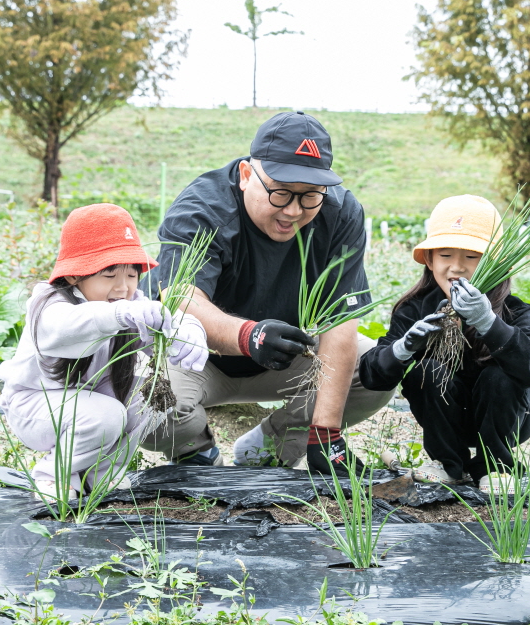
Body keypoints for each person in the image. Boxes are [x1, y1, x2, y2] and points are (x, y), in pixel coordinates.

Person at [142, 111, 392, 472]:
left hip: (285, 360)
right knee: (144, 401)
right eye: (281, 192)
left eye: (310, 196)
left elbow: (340, 322)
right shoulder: (203, 208)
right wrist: (249, 335)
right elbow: (182, 298)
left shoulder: (340, 213)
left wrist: (325, 433)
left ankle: (269, 447)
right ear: (247, 175)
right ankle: (195, 449)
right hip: (196, 358)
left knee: (373, 373)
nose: (293, 210)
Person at [0, 204, 209, 498]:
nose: (123, 288)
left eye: (132, 275)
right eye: (109, 276)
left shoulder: (130, 305)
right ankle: (54, 475)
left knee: (153, 398)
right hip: (35, 406)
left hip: (91, 402)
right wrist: (121, 314)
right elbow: (71, 325)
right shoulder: (50, 304)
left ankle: (101, 472)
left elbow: (164, 327)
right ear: (75, 275)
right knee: (105, 415)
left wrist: (187, 331)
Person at [357, 195, 530, 485]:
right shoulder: (415, 309)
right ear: (430, 260)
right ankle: (450, 464)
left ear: (496, 264)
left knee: (500, 375)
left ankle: (495, 467)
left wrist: (487, 322)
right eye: (446, 256)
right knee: (425, 371)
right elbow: (373, 376)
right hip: (448, 418)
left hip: (512, 418)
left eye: (471, 257)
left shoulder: (513, 310)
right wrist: (404, 347)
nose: (457, 268)